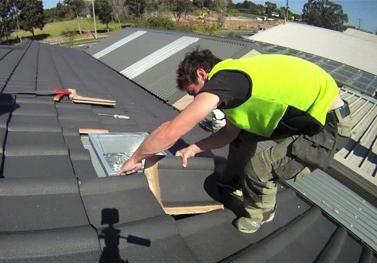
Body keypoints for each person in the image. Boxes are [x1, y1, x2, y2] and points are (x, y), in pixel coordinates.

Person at [118, 48, 352, 233]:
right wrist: (194, 147)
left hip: (327, 126)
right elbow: (229, 133)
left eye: (194, 92)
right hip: (302, 115)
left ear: (202, 74)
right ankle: (234, 181)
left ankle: (262, 213)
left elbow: (171, 131)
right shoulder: (235, 83)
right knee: (242, 137)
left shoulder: (225, 81)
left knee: (259, 170)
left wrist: (136, 158)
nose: (196, 99)